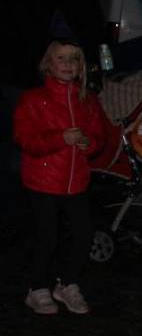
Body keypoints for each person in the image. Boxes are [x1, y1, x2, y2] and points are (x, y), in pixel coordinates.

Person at [14, 38, 105, 315]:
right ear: (48, 65)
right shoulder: (33, 99)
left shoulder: (87, 100)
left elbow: (99, 137)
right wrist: (60, 138)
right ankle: (37, 287)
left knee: (82, 234)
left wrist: (90, 143)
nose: (68, 64)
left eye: (73, 59)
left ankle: (67, 283)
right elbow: (25, 139)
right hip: (43, 181)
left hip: (76, 181)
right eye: (61, 59)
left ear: (81, 66)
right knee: (46, 236)